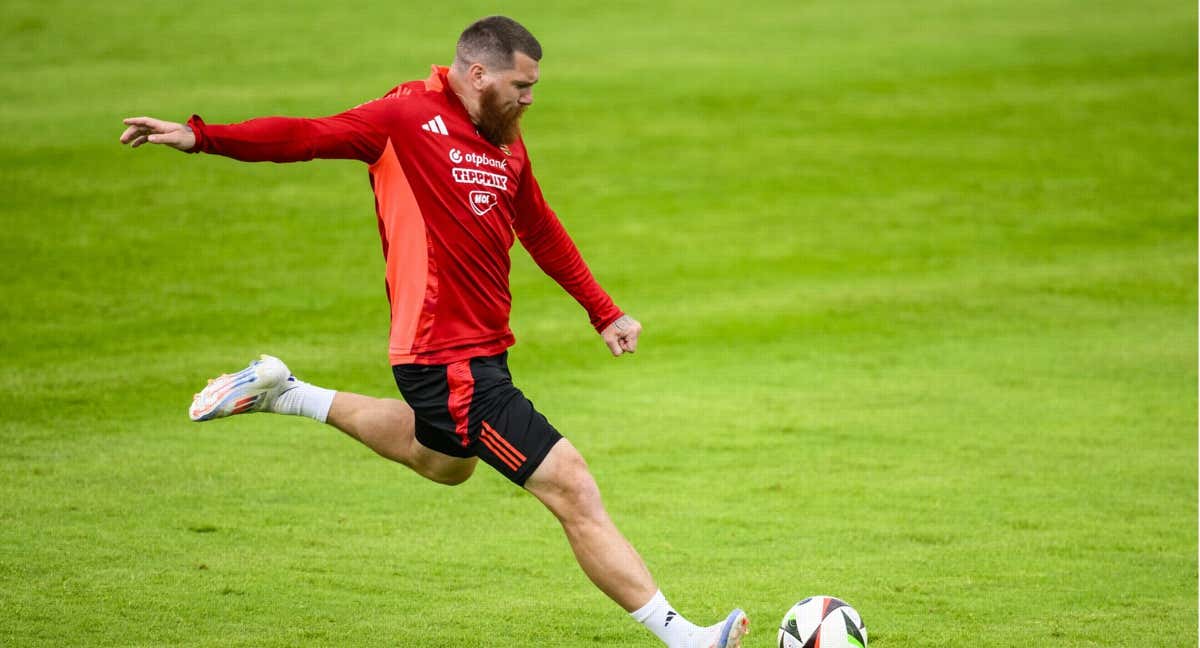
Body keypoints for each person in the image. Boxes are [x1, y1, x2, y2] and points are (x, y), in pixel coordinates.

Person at [119, 16, 748, 648]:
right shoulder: (403, 120)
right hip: (444, 357)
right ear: (477, 74)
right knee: (571, 484)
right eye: (520, 85)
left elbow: (540, 228)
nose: (530, 98)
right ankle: (687, 638)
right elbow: (306, 136)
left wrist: (603, 310)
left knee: (444, 464)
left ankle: (287, 392)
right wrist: (200, 137)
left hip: (481, 355)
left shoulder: (505, 140)